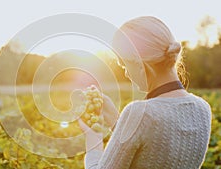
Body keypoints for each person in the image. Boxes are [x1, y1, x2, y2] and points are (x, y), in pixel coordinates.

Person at [79, 16, 212, 169]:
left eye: (124, 64)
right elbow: (154, 150)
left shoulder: (139, 113)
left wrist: (93, 142)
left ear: (140, 64)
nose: (126, 73)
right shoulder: (203, 109)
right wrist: (118, 123)